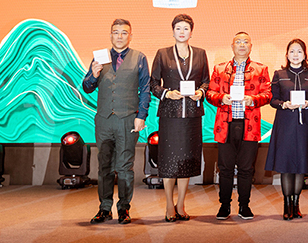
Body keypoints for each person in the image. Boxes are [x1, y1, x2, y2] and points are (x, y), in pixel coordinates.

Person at [82, 18, 150, 225]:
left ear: (130, 36)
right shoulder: (99, 57)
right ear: (110, 35)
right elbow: (87, 87)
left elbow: (145, 89)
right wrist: (93, 76)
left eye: (124, 32)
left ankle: (123, 208)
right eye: (116, 32)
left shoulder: (139, 57)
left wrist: (141, 116)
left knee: (125, 167)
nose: (120, 36)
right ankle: (104, 208)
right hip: (104, 120)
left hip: (127, 119)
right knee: (104, 166)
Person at [149, 14, 210, 222]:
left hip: (192, 116)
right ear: (173, 31)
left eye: (186, 28)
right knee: (169, 161)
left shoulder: (200, 54)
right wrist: (167, 93)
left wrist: (201, 92)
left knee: (186, 162)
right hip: (170, 116)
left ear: (191, 32)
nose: (182, 32)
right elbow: (153, 83)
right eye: (178, 28)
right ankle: (169, 204)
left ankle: (181, 204)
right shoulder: (163, 54)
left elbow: (206, 81)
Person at [206, 32, 271, 220]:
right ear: (232, 46)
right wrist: (221, 98)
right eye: (238, 42)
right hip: (225, 125)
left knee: (246, 168)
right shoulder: (220, 69)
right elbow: (210, 93)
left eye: (245, 42)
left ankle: (244, 206)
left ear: (251, 46)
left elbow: (268, 94)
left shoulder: (260, 69)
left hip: (250, 125)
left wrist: (253, 100)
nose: (242, 45)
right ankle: (224, 205)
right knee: (225, 168)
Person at [265, 39, 308, 220]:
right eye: (292, 51)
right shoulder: (279, 74)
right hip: (285, 125)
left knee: (300, 165)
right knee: (286, 166)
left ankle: (296, 205)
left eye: (299, 51)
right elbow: (272, 99)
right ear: (287, 54)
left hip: (305, 125)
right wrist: (284, 104)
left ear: (305, 55)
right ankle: (286, 204)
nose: (295, 55)